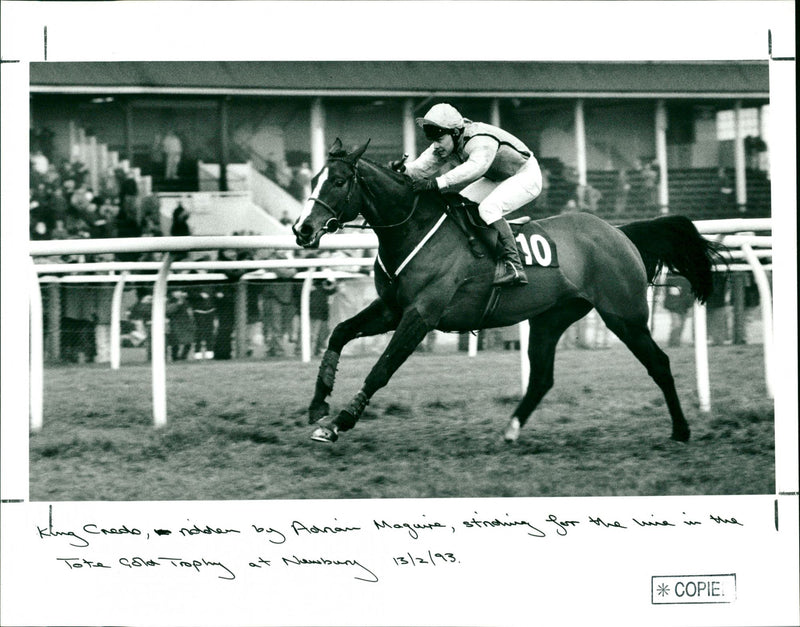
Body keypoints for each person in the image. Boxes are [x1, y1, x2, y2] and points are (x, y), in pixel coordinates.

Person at [392, 103, 541, 286]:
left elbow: (476, 168)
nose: (436, 145)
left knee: (488, 208)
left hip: (525, 174)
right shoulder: (446, 143)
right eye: (433, 140)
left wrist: (437, 182)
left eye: (439, 139)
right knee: (460, 205)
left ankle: (515, 267)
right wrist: (402, 170)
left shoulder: (480, 139)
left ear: (455, 133)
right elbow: (420, 169)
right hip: (497, 177)